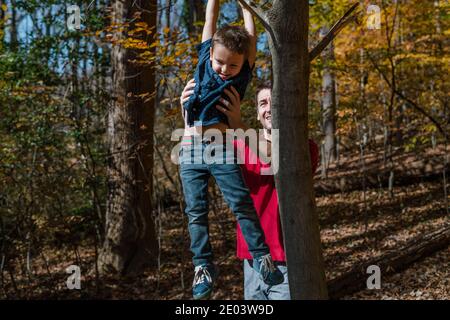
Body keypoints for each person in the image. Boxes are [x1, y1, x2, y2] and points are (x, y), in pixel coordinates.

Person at [179, 0, 283, 300]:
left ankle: (262, 258)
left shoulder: (240, 76)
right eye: (220, 62)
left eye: (233, 65)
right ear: (210, 53)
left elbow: (250, 40)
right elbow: (209, 18)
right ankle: (203, 267)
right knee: (195, 212)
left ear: (243, 65)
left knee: (240, 203)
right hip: (190, 149)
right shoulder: (204, 59)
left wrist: (246, 7)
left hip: (223, 147)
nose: (224, 70)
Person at [180, 81, 319, 300]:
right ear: (256, 113)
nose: (269, 108)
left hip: (290, 259)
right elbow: (200, 148)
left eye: (274, 102)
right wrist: (187, 112)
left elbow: (275, 159)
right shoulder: (240, 145)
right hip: (254, 262)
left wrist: (236, 124)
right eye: (263, 103)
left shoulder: (305, 147)